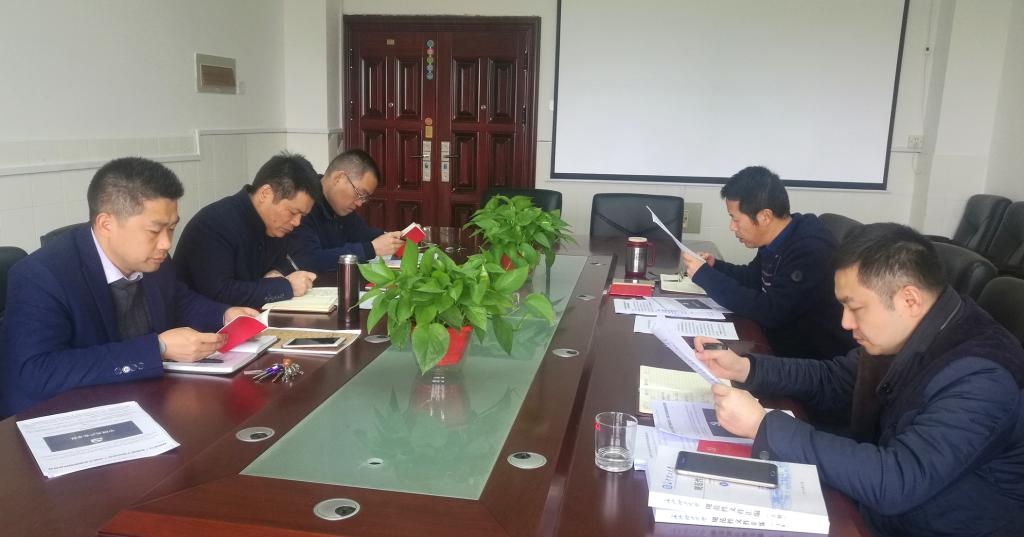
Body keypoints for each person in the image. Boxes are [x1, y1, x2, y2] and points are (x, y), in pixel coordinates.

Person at [695, 223, 1024, 536]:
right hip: (879, 504)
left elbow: (897, 480)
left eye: (855, 307)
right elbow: (835, 379)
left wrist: (763, 425)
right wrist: (745, 369)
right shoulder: (914, 328)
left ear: (909, 299)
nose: (845, 322)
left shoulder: (982, 376)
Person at [0, 157, 259, 416]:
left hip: (140, 397)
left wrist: (224, 315)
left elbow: (178, 301)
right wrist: (158, 348)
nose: (166, 243)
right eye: (154, 231)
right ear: (106, 224)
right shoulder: (41, 275)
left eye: (171, 228)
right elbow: (36, 371)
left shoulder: (153, 259)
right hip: (64, 415)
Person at [682, 166, 854, 360]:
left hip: (811, 359)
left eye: (735, 219)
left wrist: (707, 277)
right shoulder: (777, 238)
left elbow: (772, 312)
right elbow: (753, 278)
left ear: (764, 217)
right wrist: (715, 267)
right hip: (779, 342)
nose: (732, 227)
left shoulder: (810, 250)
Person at [174, 153, 320, 309]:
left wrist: (277, 271)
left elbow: (289, 260)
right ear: (265, 194)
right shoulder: (214, 224)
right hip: (204, 320)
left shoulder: (276, 225)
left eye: (302, 215)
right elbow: (220, 292)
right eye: (293, 212)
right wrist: (286, 287)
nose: (297, 222)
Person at [291, 149, 404, 272]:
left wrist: (394, 238)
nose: (359, 203)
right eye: (359, 194)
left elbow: (361, 234)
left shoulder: (341, 207)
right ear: (338, 178)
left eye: (364, 198)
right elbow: (310, 260)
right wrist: (372, 249)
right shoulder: (302, 205)